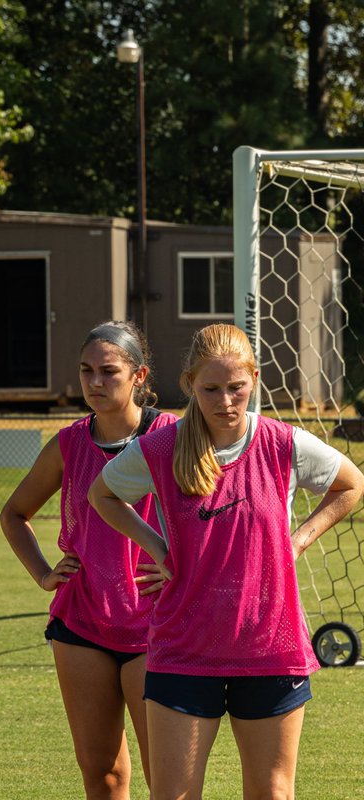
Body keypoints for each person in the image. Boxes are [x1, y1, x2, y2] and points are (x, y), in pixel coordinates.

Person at [88, 323, 364, 799]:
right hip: (183, 652)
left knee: (271, 793)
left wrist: (297, 541)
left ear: (254, 379)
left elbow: (351, 485)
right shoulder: (161, 447)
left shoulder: (283, 443)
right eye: (210, 388)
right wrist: (157, 546)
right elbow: (103, 495)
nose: (225, 401)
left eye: (236, 387)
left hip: (270, 648)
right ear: (190, 384)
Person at [0, 321, 174, 799]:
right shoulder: (69, 443)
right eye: (86, 371)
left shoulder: (171, 435)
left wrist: (179, 564)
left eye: (109, 372)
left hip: (155, 625)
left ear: (139, 376)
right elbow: (14, 514)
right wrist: (42, 572)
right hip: (81, 623)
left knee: (168, 778)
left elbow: (210, 515)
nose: (95, 383)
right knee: (101, 774)